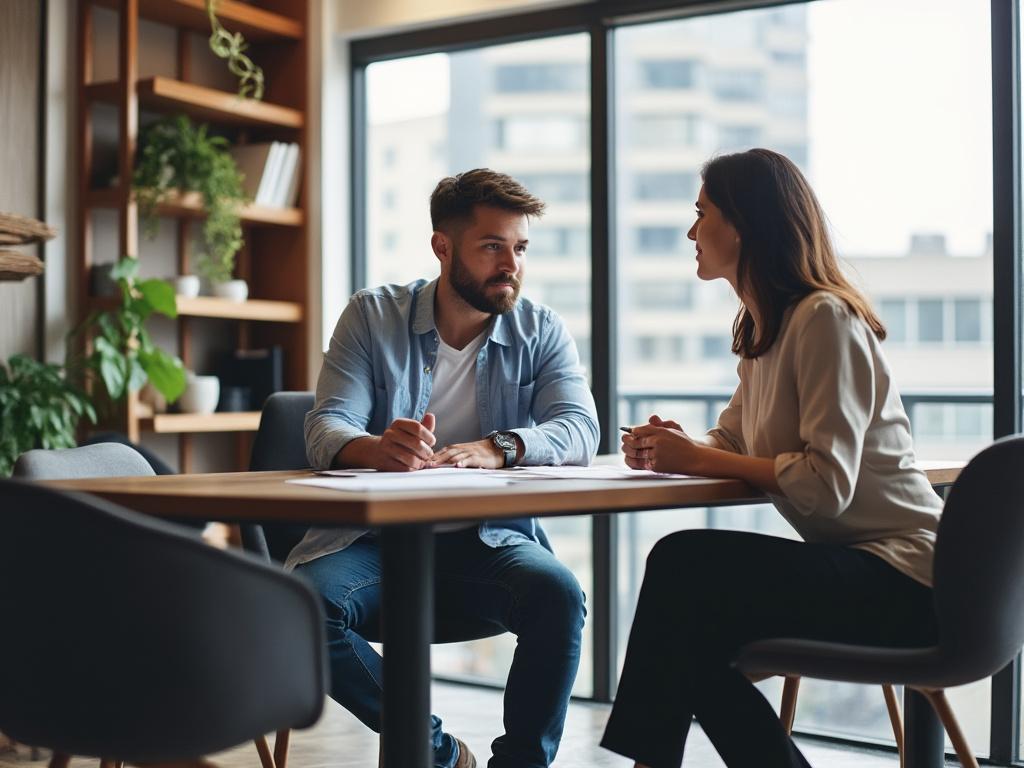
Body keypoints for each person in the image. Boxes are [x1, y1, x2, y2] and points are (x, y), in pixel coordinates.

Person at [600, 149, 942, 768]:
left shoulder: (824, 320)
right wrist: (679, 446)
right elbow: (732, 440)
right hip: (857, 567)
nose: (690, 231)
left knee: (681, 561)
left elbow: (823, 486)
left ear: (743, 225)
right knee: (689, 643)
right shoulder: (767, 330)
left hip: (910, 580)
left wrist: (700, 461)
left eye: (701, 213)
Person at [289, 168, 598, 768]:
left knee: (558, 595)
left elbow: (581, 428)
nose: (511, 264)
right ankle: (438, 753)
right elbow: (325, 427)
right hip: (374, 542)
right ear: (442, 247)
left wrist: (499, 446)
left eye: (520, 248)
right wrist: (375, 448)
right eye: (492, 246)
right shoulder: (372, 316)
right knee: (303, 606)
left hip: (487, 543)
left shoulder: (541, 328)